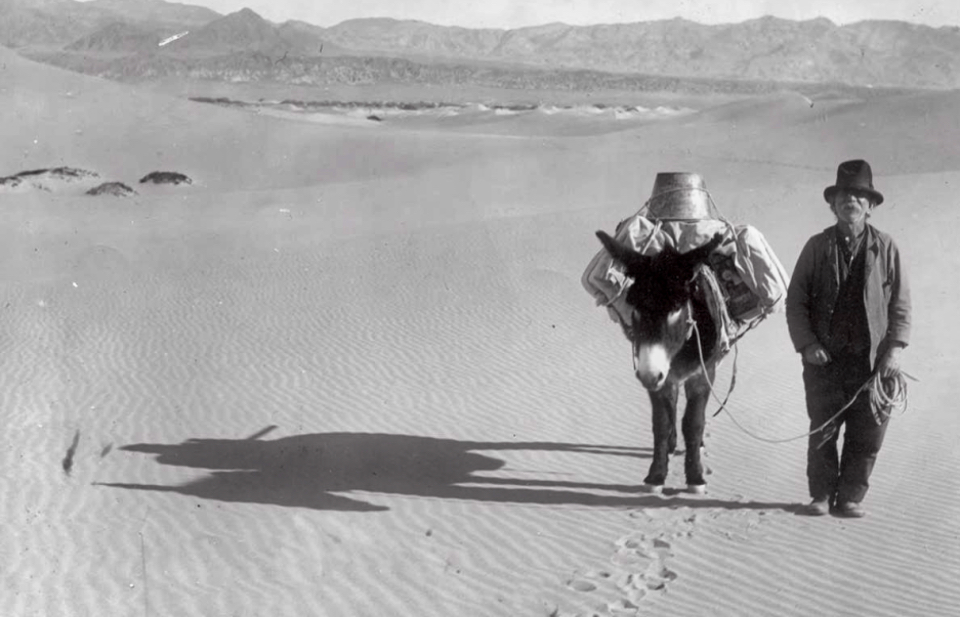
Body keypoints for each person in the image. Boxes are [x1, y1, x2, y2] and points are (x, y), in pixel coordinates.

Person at [786, 159, 911, 518]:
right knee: (823, 430)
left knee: (868, 434)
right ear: (833, 204)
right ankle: (822, 496)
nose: (850, 201)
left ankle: (851, 497)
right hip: (825, 361)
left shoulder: (887, 248)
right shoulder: (815, 247)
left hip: (872, 361)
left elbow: (901, 305)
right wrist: (808, 345)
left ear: (870, 206)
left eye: (858, 195)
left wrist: (895, 349)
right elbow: (795, 303)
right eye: (844, 195)